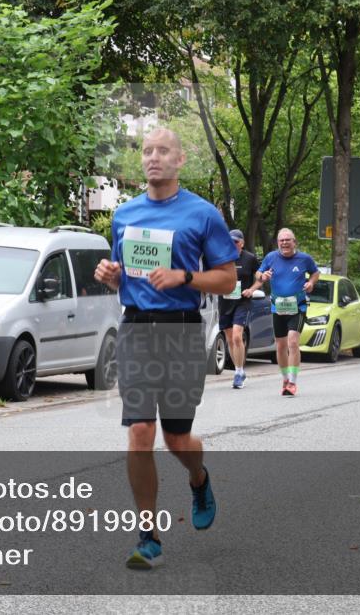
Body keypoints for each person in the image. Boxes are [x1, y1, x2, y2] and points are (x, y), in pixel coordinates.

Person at [93, 128, 237, 570]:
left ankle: (198, 477)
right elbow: (126, 277)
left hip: (181, 332)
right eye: (147, 151)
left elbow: (228, 279)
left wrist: (184, 277)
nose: (153, 158)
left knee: (176, 437)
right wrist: (111, 275)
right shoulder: (125, 215)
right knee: (140, 432)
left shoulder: (203, 214)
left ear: (180, 159)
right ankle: (149, 534)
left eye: (163, 151)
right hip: (136, 329)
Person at [257, 228, 320, 396]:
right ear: (278, 243)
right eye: (281, 240)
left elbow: (315, 272)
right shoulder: (271, 257)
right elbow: (258, 273)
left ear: (294, 242)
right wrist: (263, 277)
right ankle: (285, 378)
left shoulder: (304, 258)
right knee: (280, 345)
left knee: (293, 342)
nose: (284, 243)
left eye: (287, 240)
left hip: (298, 306)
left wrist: (311, 283)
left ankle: (292, 381)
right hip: (278, 306)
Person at [219, 229, 262, 389]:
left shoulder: (250, 258)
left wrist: (251, 290)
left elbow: (260, 278)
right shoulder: (220, 257)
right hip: (225, 301)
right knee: (230, 339)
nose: (233, 244)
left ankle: (238, 372)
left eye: (236, 242)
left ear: (242, 244)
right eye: (230, 241)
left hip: (242, 302)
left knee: (237, 336)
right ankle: (240, 370)